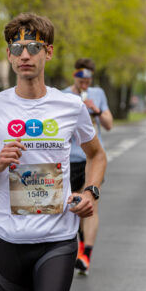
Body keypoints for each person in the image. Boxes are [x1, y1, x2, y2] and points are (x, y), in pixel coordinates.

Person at [0, 13, 107, 291]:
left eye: (34, 47)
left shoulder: (71, 106)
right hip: (8, 238)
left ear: (48, 52)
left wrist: (90, 192)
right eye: (17, 47)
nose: (25, 54)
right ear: (8, 55)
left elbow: (96, 155)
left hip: (57, 237)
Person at [62, 58, 112, 275]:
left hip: (90, 159)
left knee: (89, 205)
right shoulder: (63, 95)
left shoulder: (98, 94)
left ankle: (86, 255)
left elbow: (109, 125)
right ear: (75, 76)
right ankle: (79, 246)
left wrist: (96, 110)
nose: (85, 83)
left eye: (89, 80)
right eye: (82, 79)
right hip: (67, 160)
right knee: (71, 208)